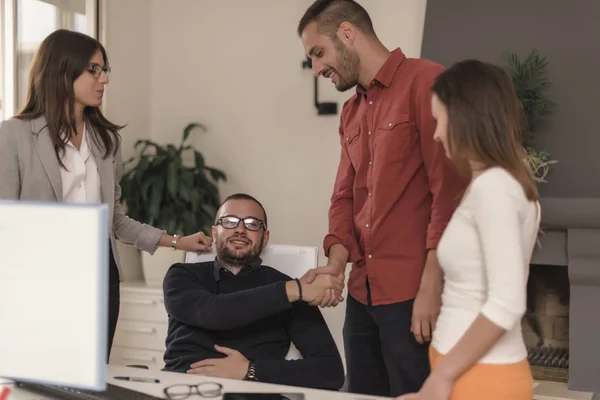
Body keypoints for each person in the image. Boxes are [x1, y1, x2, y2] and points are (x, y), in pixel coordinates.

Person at [0, 29, 212, 361]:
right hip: (42, 278)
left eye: (105, 69)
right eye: (94, 70)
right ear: (62, 70)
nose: (104, 79)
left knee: (92, 372)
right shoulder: (14, 134)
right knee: (43, 374)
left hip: (100, 277)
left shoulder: (107, 142)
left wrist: (177, 242)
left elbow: (114, 220)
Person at [297, 0, 463, 397]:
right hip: (361, 294)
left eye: (318, 53)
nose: (317, 69)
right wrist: (337, 261)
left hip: (414, 295)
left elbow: (449, 191)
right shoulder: (351, 112)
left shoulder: (427, 82)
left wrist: (430, 286)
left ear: (348, 33)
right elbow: (343, 198)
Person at [397, 60, 540, 400]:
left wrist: (441, 378)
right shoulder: (497, 184)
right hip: (469, 374)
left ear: (464, 116)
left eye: (438, 120)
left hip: (481, 379)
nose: (435, 133)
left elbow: (507, 302)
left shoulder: (495, 188)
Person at [162, 193, 346, 391]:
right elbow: (213, 313)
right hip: (178, 390)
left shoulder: (289, 288)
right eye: (230, 221)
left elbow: (330, 371)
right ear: (214, 233)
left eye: (252, 224)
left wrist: (250, 370)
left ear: (265, 237)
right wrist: (294, 289)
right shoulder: (182, 275)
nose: (240, 229)